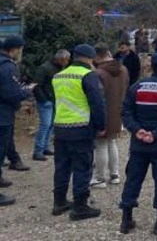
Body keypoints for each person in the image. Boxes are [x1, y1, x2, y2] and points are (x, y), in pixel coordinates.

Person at [118, 52, 157, 235]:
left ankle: (126, 221)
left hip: (139, 144)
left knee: (133, 180)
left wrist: (136, 130)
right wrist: (155, 134)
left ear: (151, 66)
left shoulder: (137, 87)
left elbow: (126, 112)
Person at [52, 44, 106, 220]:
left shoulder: (59, 76)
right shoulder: (87, 76)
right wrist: (101, 126)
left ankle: (59, 201)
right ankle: (80, 206)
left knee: (62, 167)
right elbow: (97, 103)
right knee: (82, 167)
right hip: (81, 128)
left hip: (60, 127)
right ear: (90, 58)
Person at [0, 36, 36, 206]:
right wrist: (26, 91)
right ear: (14, 49)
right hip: (2, 115)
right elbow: (10, 93)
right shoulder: (8, 67)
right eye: (20, 49)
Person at [90, 44, 129, 189]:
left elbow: (96, 96)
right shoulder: (123, 69)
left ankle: (99, 178)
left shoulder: (97, 73)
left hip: (103, 112)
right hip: (118, 111)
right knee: (112, 142)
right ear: (108, 53)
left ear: (96, 56)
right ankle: (115, 175)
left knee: (100, 145)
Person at [32, 49, 71, 161]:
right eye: (66, 60)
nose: (67, 62)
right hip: (47, 101)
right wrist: (44, 100)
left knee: (50, 125)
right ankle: (38, 150)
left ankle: (45, 147)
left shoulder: (56, 68)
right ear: (61, 59)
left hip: (53, 100)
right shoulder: (45, 68)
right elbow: (37, 85)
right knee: (45, 125)